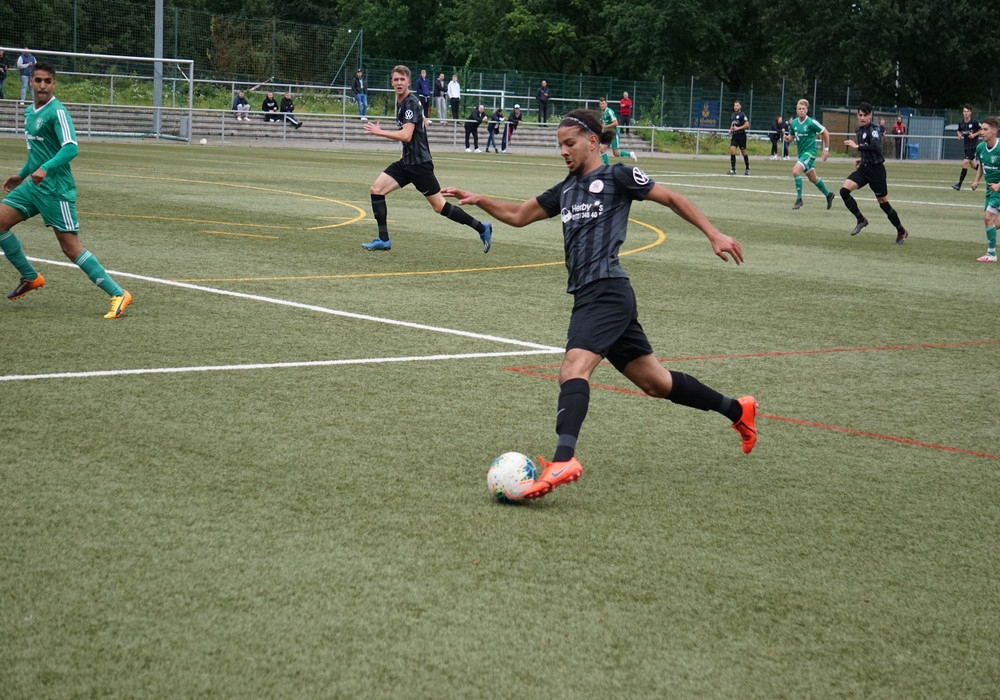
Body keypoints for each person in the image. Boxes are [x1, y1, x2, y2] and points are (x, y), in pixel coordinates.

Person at [441, 109, 757, 500]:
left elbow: (672, 198)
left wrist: (714, 233)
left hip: (606, 290)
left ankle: (563, 459)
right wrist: (481, 200)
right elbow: (520, 215)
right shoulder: (565, 189)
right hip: (592, 295)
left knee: (572, 369)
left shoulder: (618, 176)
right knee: (657, 383)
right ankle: (737, 410)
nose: (563, 151)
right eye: (560, 145)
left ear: (593, 141)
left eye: (569, 143)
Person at [0, 62, 132, 319]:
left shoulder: (57, 112)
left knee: (71, 248)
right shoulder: (29, 112)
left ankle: (118, 294)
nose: (42, 85)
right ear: (31, 82)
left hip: (56, 190)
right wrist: (22, 174)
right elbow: (36, 152)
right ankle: (30, 277)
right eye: (38, 80)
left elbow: (71, 147)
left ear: (54, 84)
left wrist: (45, 168)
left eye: (47, 81)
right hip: (34, 187)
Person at [360, 65, 493, 254]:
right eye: (396, 80)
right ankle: (383, 239)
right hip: (407, 162)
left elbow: (406, 135)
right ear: (392, 83)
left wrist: (380, 132)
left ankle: (482, 227)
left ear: (408, 82)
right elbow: (421, 125)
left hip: (419, 165)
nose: (399, 83)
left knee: (439, 206)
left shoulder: (411, 103)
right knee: (376, 190)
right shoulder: (402, 102)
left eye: (402, 79)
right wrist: (408, 148)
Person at [841, 102, 909, 244]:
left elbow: (876, 146)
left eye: (865, 115)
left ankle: (901, 230)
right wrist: (862, 158)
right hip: (864, 168)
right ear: (857, 115)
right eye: (860, 115)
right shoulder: (859, 130)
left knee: (883, 203)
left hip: (876, 171)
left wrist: (857, 147)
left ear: (870, 115)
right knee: (844, 191)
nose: (862, 118)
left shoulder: (874, 129)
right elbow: (869, 149)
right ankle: (861, 219)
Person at [785, 98, 835, 210]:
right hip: (801, 154)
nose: (801, 111)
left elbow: (825, 132)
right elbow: (792, 136)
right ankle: (829, 195)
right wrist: (788, 138)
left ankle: (799, 199)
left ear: (807, 110)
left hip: (810, 153)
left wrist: (826, 149)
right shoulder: (793, 123)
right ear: (796, 110)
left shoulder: (811, 122)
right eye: (799, 109)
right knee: (813, 178)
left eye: (803, 109)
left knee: (795, 171)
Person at [970, 116, 1000, 262]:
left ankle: (991, 254)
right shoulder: (981, 147)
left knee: (988, 217)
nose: (982, 132)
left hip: (998, 188)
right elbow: (981, 166)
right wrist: (976, 181)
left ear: (994, 131)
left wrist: (998, 185)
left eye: (985, 129)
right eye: (981, 129)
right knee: (993, 223)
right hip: (990, 190)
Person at [598, 97, 636, 164]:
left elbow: (616, 123)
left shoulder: (609, 111)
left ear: (606, 104)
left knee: (616, 153)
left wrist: (605, 126)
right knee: (602, 149)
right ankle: (607, 167)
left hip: (613, 134)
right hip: (607, 134)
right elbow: (603, 124)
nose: (602, 105)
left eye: (603, 103)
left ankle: (630, 154)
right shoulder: (602, 113)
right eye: (601, 104)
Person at [952, 106, 982, 190]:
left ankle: (959, 185)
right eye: (964, 111)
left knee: (964, 163)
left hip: (973, 146)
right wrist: (959, 135)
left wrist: (974, 135)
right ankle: (984, 170)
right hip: (966, 146)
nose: (965, 113)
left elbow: (981, 130)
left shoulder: (974, 122)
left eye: (967, 111)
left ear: (970, 112)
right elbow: (958, 130)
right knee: (973, 165)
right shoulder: (961, 123)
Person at [728, 100, 750, 175]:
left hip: (741, 135)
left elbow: (747, 124)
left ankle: (747, 168)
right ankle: (733, 169)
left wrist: (738, 128)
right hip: (735, 136)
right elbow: (733, 123)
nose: (735, 107)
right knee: (732, 151)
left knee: (744, 152)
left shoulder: (742, 115)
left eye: (737, 105)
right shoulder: (733, 114)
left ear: (740, 106)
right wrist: (730, 130)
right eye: (734, 105)